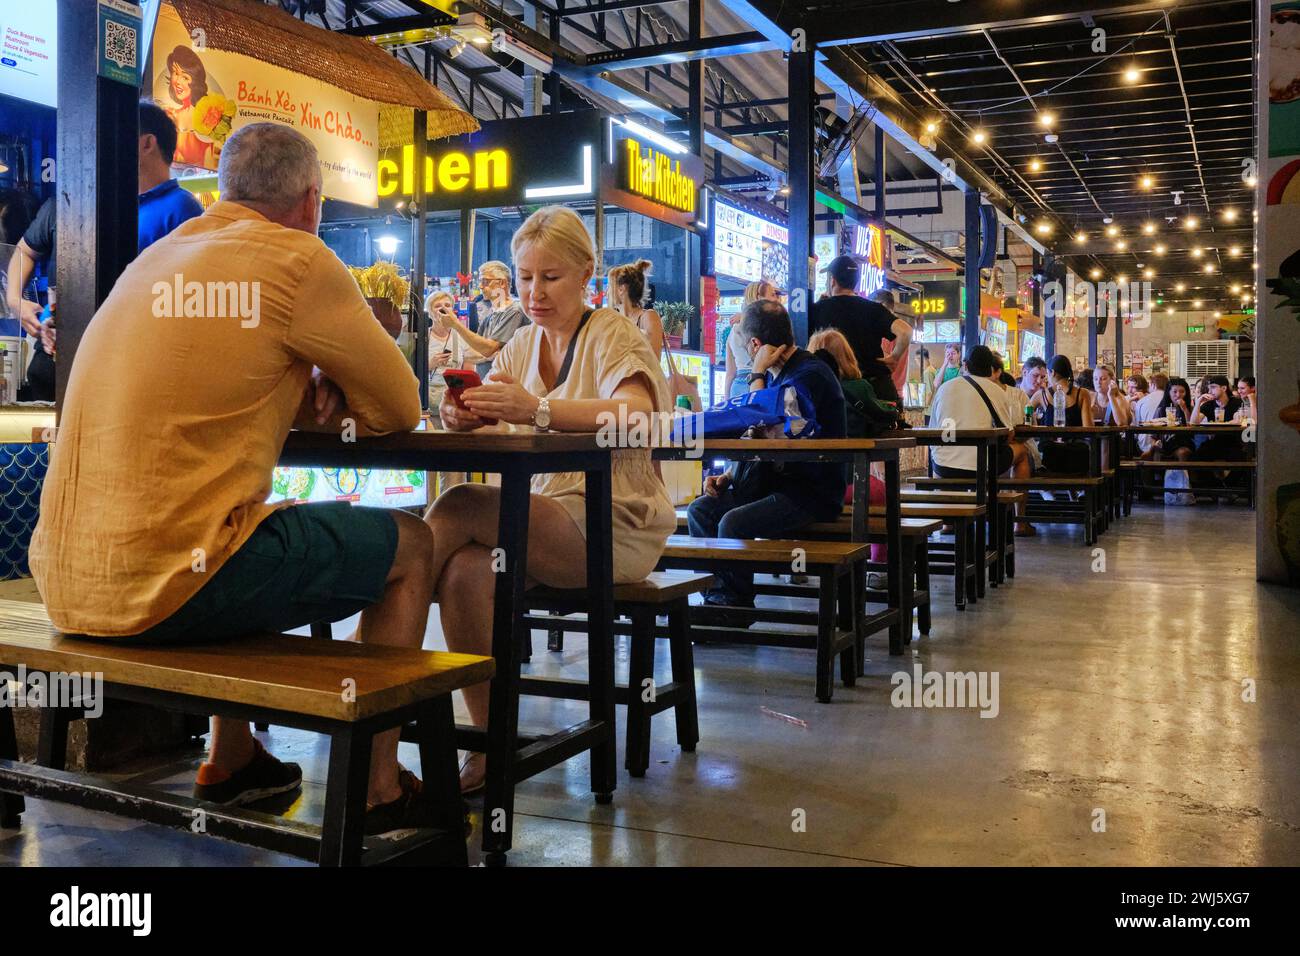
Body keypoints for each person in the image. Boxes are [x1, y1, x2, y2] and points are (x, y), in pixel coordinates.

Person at [28, 123, 440, 834]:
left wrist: (294, 394)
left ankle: (233, 760)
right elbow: (401, 404)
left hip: (64, 583)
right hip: (164, 588)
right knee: (412, 545)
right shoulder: (298, 257)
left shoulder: (156, 258)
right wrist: (327, 397)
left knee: (236, 514)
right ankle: (377, 788)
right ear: (311, 202)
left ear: (223, 192)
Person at [427, 206, 675, 793]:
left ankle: (376, 652)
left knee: (459, 506)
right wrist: (460, 414)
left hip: (618, 524)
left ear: (587, 272)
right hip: (544, 521)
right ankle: (492, 740)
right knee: (464, 571)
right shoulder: (520, 344)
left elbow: (638, 417)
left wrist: (534, 410)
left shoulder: (612, 332)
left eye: (551, 277)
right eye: (525, 277)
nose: (534, 292)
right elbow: (495, 409)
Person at [6, 101, 203, 400]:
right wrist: (16, 302)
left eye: (113, 137)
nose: (102, 146)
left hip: (120, 372)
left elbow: (183, 301)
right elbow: (25, 251)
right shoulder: (75, 196)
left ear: (146, 143)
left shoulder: (182, 208)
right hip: (51, 361)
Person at [687, 299, 847, 616]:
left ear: (756, 344)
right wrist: (731, 476)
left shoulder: (810, 373)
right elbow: (760, 435)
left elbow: (776, 422)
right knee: (702, 510)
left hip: (812, 494)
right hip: (775, 486)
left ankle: (736, 606)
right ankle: (718, 597)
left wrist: (756, 372)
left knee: (732, 523)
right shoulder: (782, 375)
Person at [809, 255, 911, 404]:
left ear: (832, 281)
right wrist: (894, 358)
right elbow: (906, 331)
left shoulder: (817, 310)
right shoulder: (874, 309)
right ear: (855, 283)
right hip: (874, 392)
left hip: (835, 393)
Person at [925, 346, 1015, 481]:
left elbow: (933, 431)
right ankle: (1001, 499)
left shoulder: (944, 388)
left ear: (965, 366)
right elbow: (1009, 433)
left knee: (938, 455)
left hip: (944, 466)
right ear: (990, 369)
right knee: (1021, 452)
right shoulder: (997, 391)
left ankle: (942, 495)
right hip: (983, 466)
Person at [445, 259, 529, 379]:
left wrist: (456, 324)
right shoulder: (491, 314)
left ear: (502, 283)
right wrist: (490, 355)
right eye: (480, 281)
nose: (480, 286)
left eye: (485, 281)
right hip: (489, 384)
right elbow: (471, 351)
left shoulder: (514, 311)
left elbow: (487, 348)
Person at [1036, 354, 1094, 474]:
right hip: (1077, 455)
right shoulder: (1082, 394)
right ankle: (1077, 492)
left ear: (1052, 372)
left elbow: (1025, 411)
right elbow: (1089, 428)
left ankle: (1047, 492)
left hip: (1050, 456)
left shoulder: (1042, 395)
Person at [723, 279, 776, 399]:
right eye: (772, 295)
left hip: (737, 387)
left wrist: (726, 401)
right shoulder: (766, 328)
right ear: (759, 297)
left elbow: (730, 373)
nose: (776, 299)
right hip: (760, 382)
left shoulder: (733, 331)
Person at [607, 258, 664, 357]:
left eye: (610, 286)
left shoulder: (648, 317)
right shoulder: (615, 321)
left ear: (621, 289)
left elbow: (654, 360)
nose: (607, 292)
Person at [871, 288, 911, 398]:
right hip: (897, 392)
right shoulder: (899, 327)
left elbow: (880, 359)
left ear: (881, 306)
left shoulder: (886, 330)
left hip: (883, 393)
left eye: (872, 307)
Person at [917, 347, 938, 422]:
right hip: (934, 408)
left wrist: (923, 407)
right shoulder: (932, 369)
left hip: (929, 411)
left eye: (917, 359)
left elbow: (929, 393)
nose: (917, 362)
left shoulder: (927, 372)